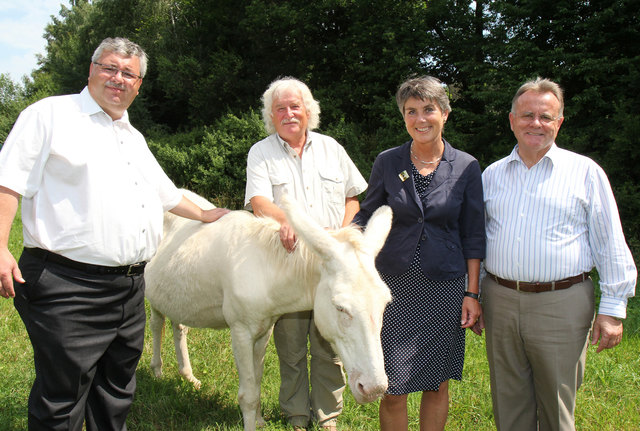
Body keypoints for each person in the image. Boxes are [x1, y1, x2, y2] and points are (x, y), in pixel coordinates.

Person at [0, 37, 230, 431]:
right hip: (66, 284)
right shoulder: (50, 115)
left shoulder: (131, 136)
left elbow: (166, 194)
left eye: (129, 73)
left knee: (115, 393)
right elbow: (8, 182)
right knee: (62, 399)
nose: (117, 78)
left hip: (128, 289)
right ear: (90, 70)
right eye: (109, 68)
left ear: (138, 85)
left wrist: (208, 214)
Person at [480, 77, 637, 431]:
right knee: (508, 402)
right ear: (511, 120)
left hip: (561, 302)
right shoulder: (491, 175)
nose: (536, 123)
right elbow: (477, 240)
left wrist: (613, 310)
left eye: (546, 117)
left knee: (557, 404)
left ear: (559, 122)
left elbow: (609, 241)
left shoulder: (584, 173)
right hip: (501, 300)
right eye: (527, 115)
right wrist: (473, 294)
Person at [351, 76, 485, 431]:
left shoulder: (467, 167)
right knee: (392, 386)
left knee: (436, 383)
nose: (420, 118)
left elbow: (473, 234)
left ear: (444, 113)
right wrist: (345, 240)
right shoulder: (388, 161)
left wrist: (472, 293)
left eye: (429, 109)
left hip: (445, 288)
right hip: (393, 285)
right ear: (403, 117)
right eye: (411, 111)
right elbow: (367, 213)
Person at [244, 77, 367, 430]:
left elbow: (352, 197)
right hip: (288, 264)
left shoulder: (331, 148)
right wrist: (294, 223)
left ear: (308, 110)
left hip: (331, 266)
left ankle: (328, 416)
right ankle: (296, 415)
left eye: (294, 106)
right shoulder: (261, 152)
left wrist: (341, 234)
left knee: (331, 345)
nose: (288, 114)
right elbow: (259, 203)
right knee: (291, 346)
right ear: (271, 115)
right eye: (279, 108)